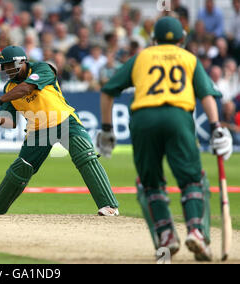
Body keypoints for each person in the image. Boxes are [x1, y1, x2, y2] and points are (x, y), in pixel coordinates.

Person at [98, 17, 233, 261]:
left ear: (153, 39)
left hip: (143, 118)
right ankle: (196, 232)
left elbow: (108, 91)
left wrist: (107, 129)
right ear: (182, 39)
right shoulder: (189, 58)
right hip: (177, 117)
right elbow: (207, 96)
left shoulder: (142, 57)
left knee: (150, 183)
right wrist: (216, 127)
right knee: (192, 180)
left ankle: (166, 235)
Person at [0, 45, 119, 216]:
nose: (6, 70)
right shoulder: (8, 89)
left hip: (64, 120)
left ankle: (109, 205)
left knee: (85, 157)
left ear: (21, 62)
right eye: (4, 66)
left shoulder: (43, 68)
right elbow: (10, 122)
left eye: (9, 65)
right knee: (21, 167)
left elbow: (27, 88)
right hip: (38, 131)